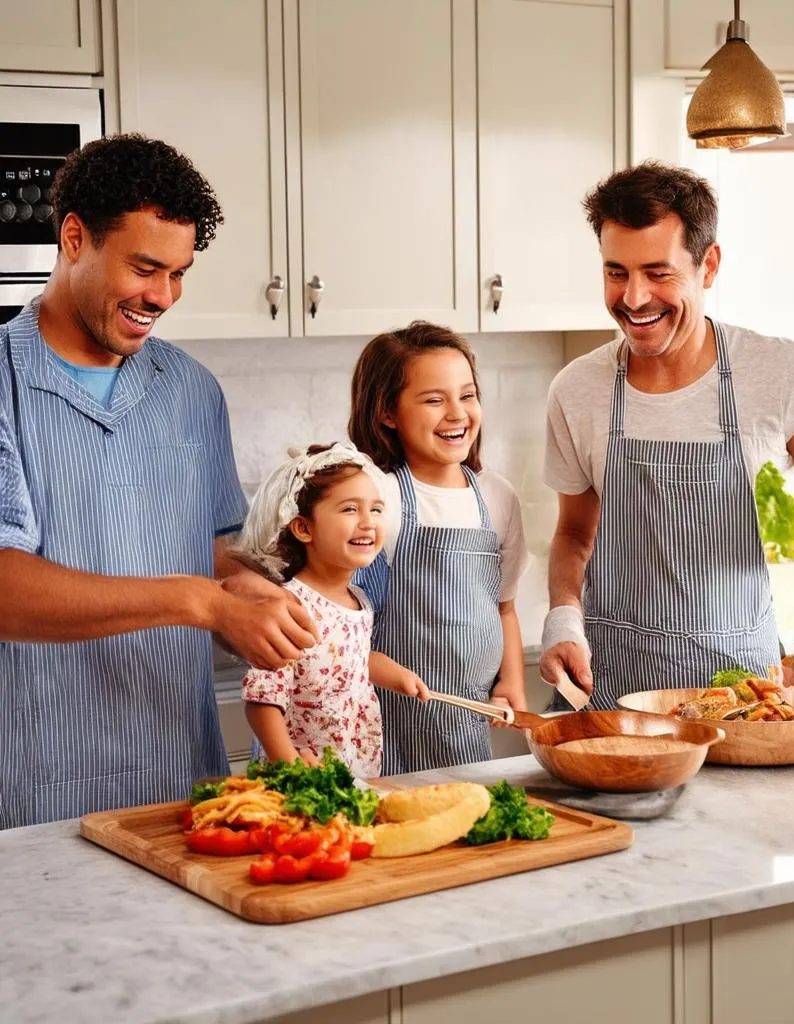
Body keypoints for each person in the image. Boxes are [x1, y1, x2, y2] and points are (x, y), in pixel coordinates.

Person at [0, 134, 317, 828]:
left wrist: (257, 594)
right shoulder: (4, 382)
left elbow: (209, 546)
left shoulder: (191, 391)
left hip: (181, 782)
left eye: (179, 273)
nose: (163, 296)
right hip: (34, 789)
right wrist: (203, 603)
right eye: (145, 267)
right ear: (75, 238)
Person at [539, 161, 794, 710]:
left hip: (741, 695)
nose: (634, 299)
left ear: (708, 266)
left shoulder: (783, 371)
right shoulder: (576, 389)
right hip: (612, 698)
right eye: (616, 273)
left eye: (658, 273)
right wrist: (564, 616)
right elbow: (572, 533)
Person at [349, 322, 528, 774]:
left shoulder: (497, 496)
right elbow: (336, 619)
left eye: (467, 396)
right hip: (383, 724)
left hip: (464, 725)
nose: (457, 414)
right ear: (388, 413)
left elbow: (503, 607)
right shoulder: (378, 496)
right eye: (434, 400)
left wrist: (512, 682)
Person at [235, 442, 429, 776]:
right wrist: (289, 764)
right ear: (304, 528)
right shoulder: (290, 606)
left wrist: (398, 676)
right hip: (302, 780)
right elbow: (262, 698)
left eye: (376, 509)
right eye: (350, 509)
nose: (368, 522)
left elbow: (348, 660)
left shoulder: (358, 599)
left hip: (353, 770)